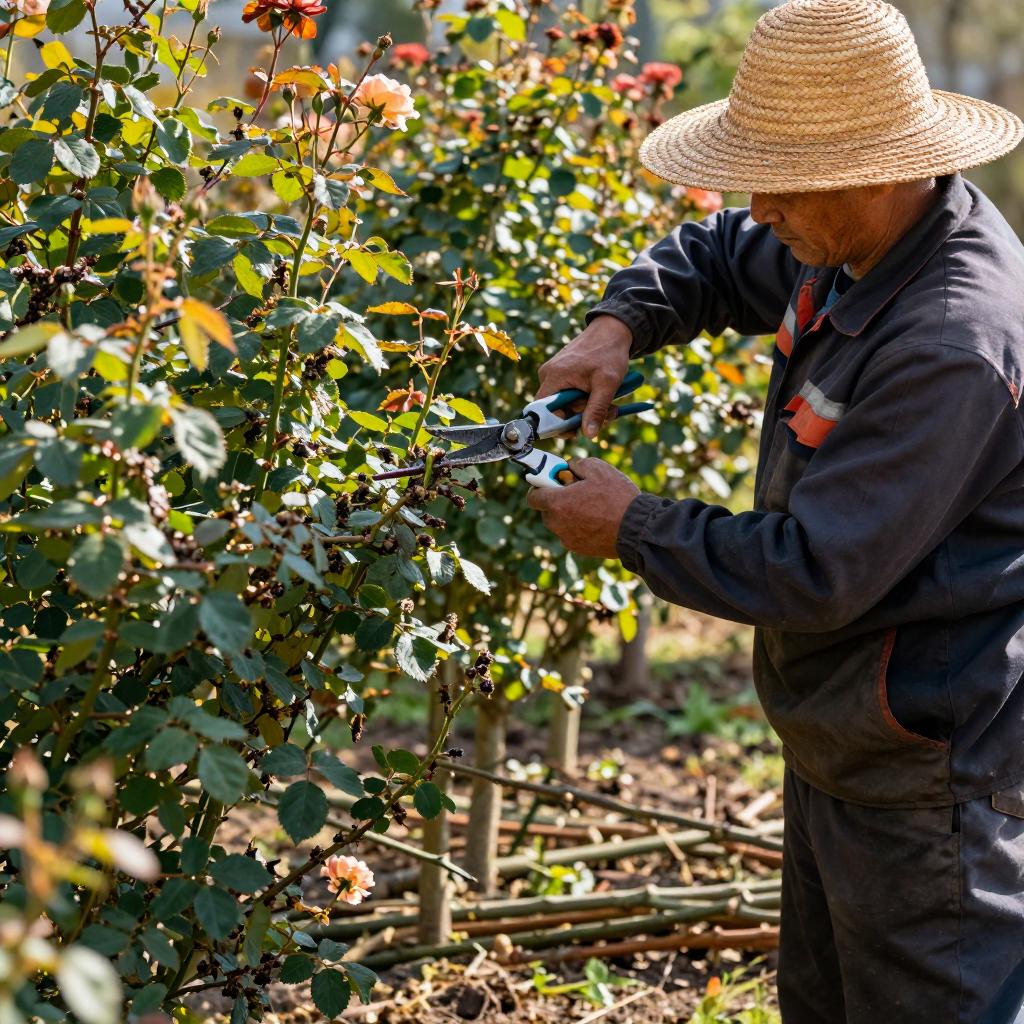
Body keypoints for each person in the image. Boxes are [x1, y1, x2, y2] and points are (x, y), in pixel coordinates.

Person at [528, 0, 1024, 1020]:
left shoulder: (948, 342)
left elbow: (814, 570)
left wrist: (631, 524)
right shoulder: (847, 240)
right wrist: (618, 323)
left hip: (932, 780)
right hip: (845, 745)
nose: (758, 207)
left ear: (878, 166)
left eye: (779, 183)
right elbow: (715, 253)